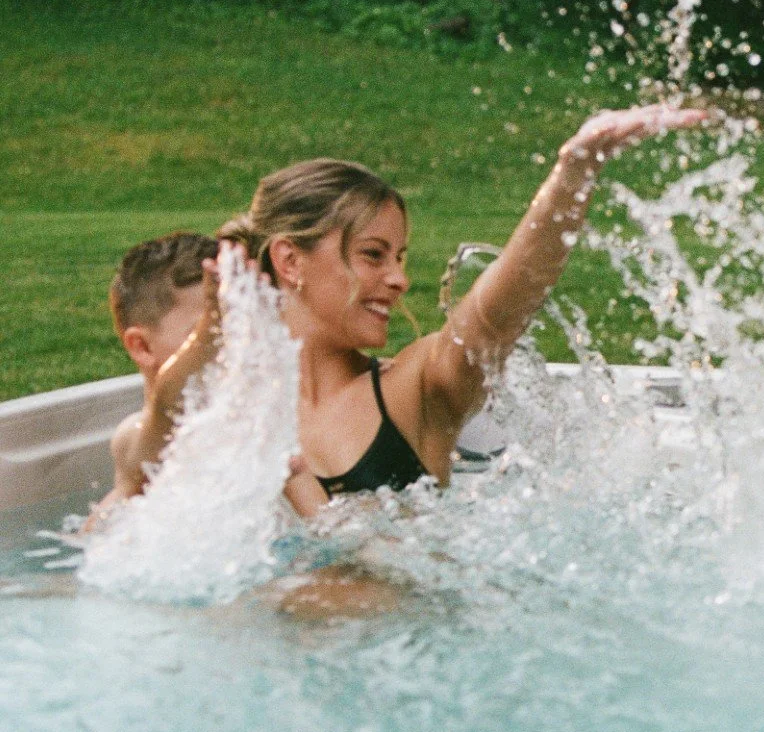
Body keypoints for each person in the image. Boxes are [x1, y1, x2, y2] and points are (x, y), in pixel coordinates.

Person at [216, 104, 705, 500]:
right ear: (290, 261)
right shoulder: (224, 409)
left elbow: (499, 310)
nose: (399, 279)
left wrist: (573, 174)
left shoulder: (414, 391)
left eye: (400, 258)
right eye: (373, 255)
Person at [88, 233, 323, 528]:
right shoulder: (132, 440)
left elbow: (331, 532)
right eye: (209, 334)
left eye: (233, 330)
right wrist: (210, 322)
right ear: (143, 347)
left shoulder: (253, 434)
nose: (228, 346)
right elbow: (166, 407)